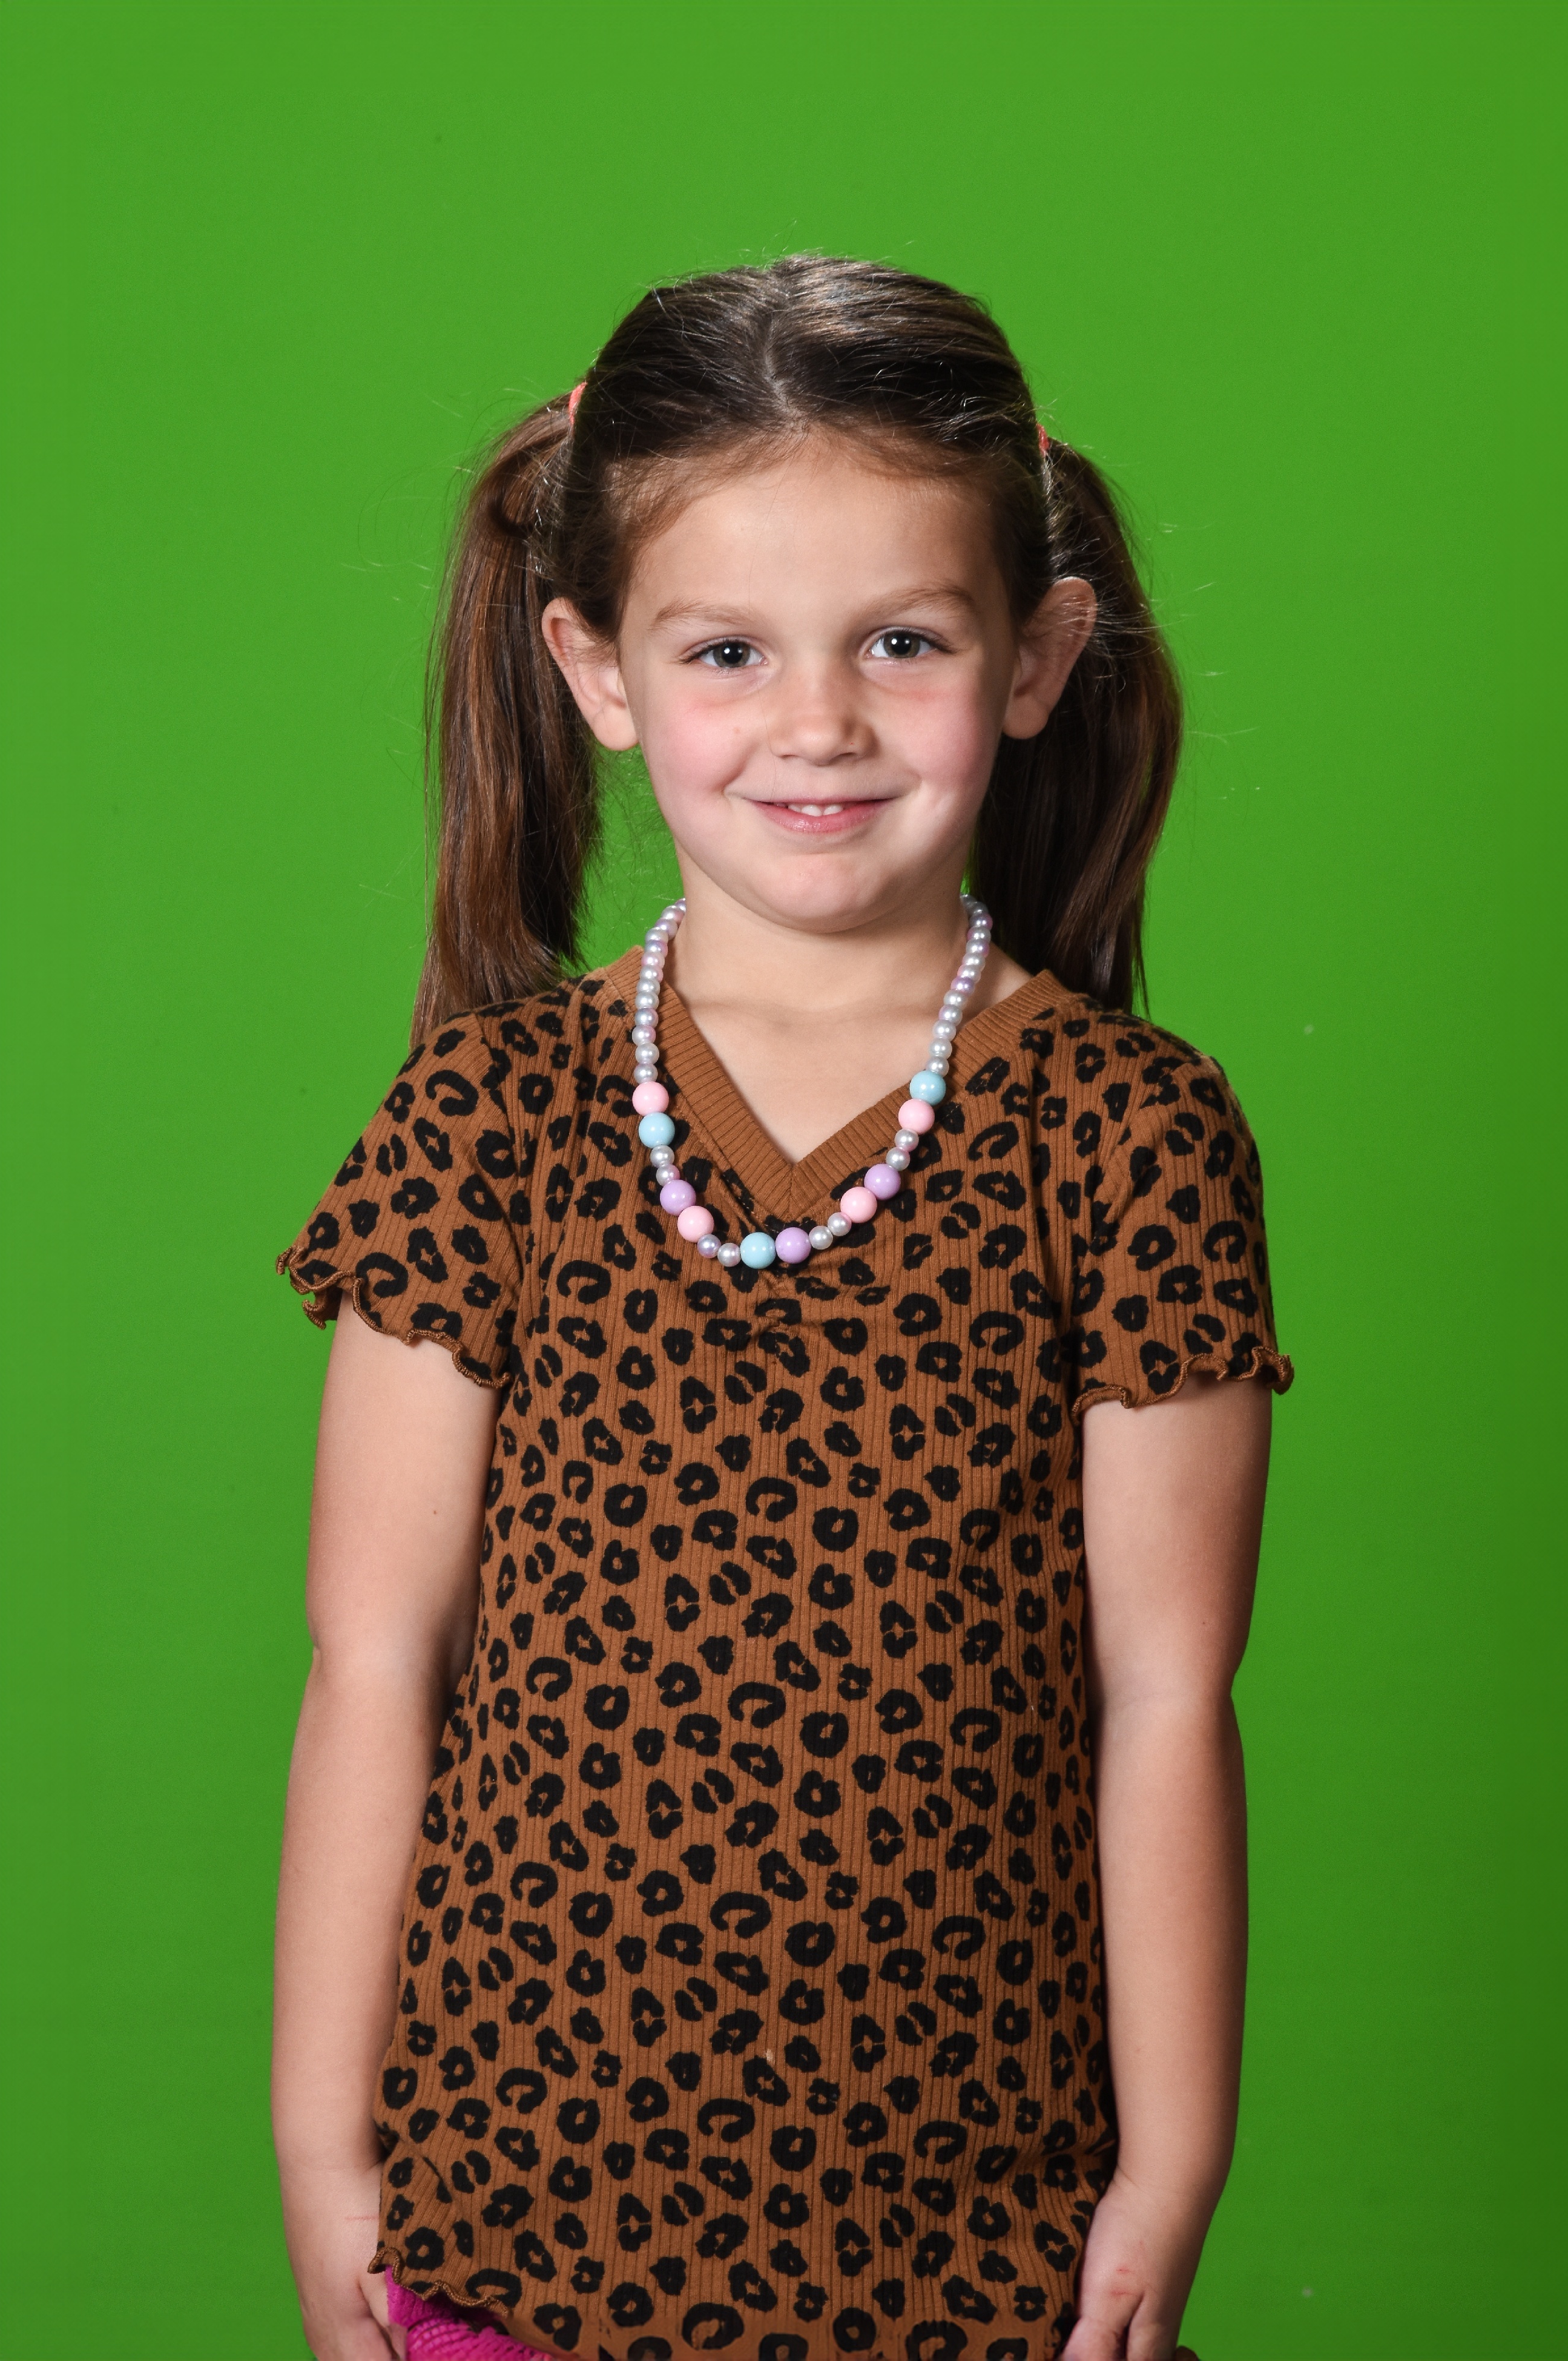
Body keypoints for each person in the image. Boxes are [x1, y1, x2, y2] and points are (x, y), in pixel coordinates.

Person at [272, 255, 1291, 2361]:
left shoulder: (1130, 1137)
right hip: (517, 2220)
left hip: (979, 2254)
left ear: (1035, 655)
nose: (819, 721)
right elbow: (375, 1659)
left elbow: (1166, 1694)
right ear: (598, 667)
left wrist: (1171, 2169)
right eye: (729, 648)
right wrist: (319, 2147)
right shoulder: (487, 1121)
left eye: (902, 641)